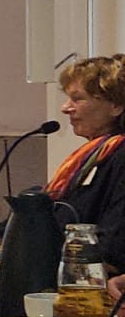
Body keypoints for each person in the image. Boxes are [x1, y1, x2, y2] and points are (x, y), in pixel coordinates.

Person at [48, 54, 125, 274]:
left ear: (116, 106)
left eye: (77, 99)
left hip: (93, 282)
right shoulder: (91, 155)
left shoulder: (120, 156)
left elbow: (114, 243)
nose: (65, 108)